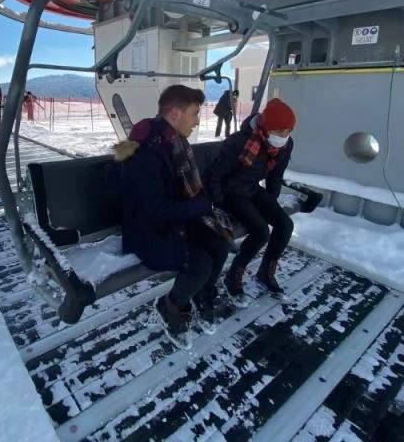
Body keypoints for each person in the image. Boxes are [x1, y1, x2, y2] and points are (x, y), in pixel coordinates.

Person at [115, 85, 232, 349]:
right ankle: (172, 307)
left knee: (220, 243)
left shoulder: (174, 141)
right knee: (199, 263)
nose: (198, 120)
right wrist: (202, 205)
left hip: (173, 222)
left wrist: (203, 203)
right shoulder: (146, 153)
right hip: (148, 232)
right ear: (176, 114)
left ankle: (201, 294)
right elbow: (156, 211)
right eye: (194, 113)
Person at [203, 98, 299, 304]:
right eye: (280, 131)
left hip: (252, 189)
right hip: (231, 194)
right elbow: (214, 176)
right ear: (266, 127)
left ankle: (266, 271)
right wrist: (220, 203)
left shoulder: (284, 145)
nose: (284, 137)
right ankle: (235, 273)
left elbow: (275, 176)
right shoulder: (239, 142)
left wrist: (270, 204)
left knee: (285, 224)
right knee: (261, 231)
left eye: (288, 132)